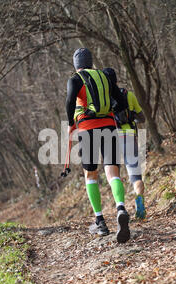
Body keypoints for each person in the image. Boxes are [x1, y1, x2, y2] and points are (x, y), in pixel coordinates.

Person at [65, 48, 130, 243]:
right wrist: (111, 110)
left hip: (87, 129)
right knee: (112, 172)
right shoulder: (105, 76)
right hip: (109, 126)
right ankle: (120, 207)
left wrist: (70, 123)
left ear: (76, 65)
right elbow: (121, 101)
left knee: (90, 174)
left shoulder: (75, 80)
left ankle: (100, 221)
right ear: (91, 62)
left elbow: (69, 101)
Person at [103, 68, 147, 219]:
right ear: (116, 80)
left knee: (114, 176)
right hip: (129, 136)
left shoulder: (102, 99)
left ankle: (121, 208)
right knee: (135, 175)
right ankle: (139, 202)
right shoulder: (128, 95)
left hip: (111, 139)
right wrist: (131, 116)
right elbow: (142, 118)